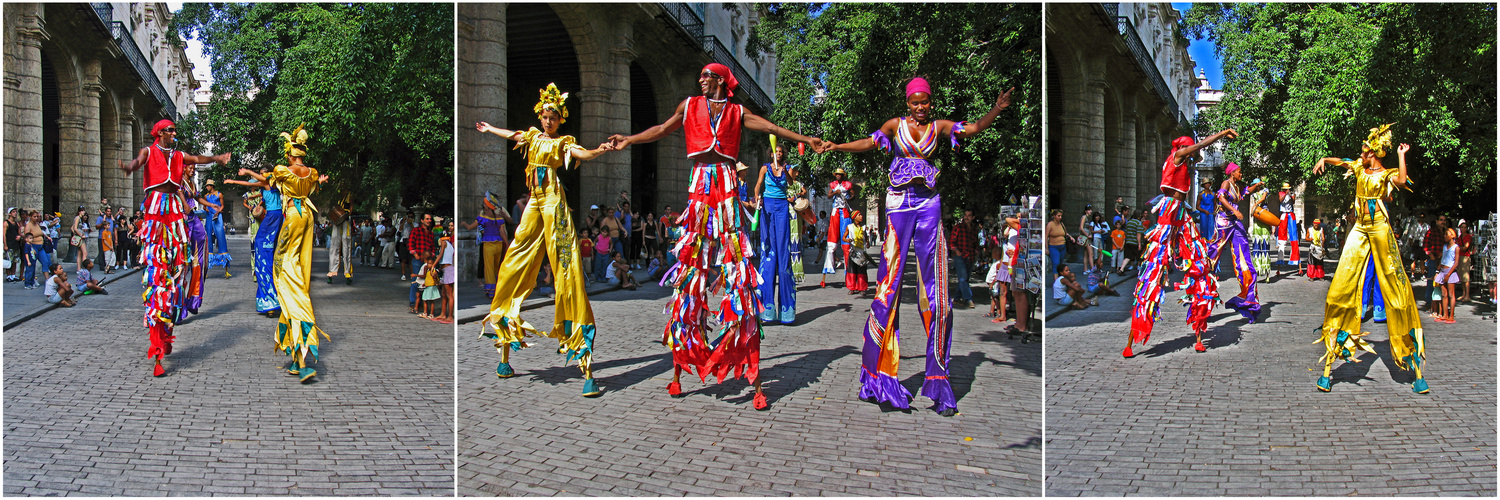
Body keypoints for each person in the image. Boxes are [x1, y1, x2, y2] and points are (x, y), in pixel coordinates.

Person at [606, 63, 827, 410]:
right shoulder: (689, 105)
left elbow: (771, 126)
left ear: (721, 81)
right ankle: (681, 366)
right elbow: (662, 129)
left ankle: (751, 374)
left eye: (706, 77)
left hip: (726, 190)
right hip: (700, 192)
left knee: (739, 274)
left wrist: (804, 139)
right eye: (700, 77)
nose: (701, 81)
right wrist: (629, 139)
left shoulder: (738, 112)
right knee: (691, 275)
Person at [818, 77, 1011, 416]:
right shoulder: (895, 125)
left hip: (928, 205)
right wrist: (837, 147)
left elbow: (975, 128)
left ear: (931, 102)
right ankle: (877, 377)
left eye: (924, 101)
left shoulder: (940, 127)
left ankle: (939, 379)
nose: (920, 107)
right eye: (914, 102)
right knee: (888, 286)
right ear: (908, 103)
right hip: (897, 206)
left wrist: (997, 108)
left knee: (937, 291)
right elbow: (867, 142)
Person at [475, 83, 612, 397]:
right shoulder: (533, 137)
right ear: (540, 116)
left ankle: (586, 365)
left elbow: (581, 153)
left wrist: (598, 151)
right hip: (534, 205)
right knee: (511, 266)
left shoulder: (563, 142)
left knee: (569, 271)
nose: (548, 120)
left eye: (553, 116)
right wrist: (490, 128)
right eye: (545, 115)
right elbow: (514, 135)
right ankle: (505, 353)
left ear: (560, 119)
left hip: (554, 204)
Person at [1308, 124, 1426, 393]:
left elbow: (1401, 180)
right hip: (1359, 229)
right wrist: (1324, 159)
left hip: (1380, 229)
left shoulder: (1385, 174)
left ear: (1373, 152)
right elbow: (1342, 161)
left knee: (1397, 293)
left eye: (1363, 149)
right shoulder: (1360, 168)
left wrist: (1401, 155)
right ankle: (1329, 365)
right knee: (1339, 290)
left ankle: (1415, 369)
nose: (1359, 153)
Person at [118, 118, 231, 376]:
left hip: (175, 215)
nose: (174, 133)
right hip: (157, 211)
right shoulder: (149, 151)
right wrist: (129, 167)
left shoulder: (179, 155)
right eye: (170, 130)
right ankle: (157, 349)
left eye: (174, 130)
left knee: (175, 275)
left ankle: (167, 333)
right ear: (159, 133)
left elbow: (197, 159)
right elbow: (138, 162)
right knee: (157, 280)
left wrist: (217, 158)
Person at [1124, 128, 1237, 358]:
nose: (1191, 152)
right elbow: (1201, 146)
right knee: (1154, 270)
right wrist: (1223, 133)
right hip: (1169, 212)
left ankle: (1198, 335)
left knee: (1199, 265)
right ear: (1182, 148)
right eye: (1189, 148)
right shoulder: (1176, 157)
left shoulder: (1185, 164)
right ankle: (1132, 337)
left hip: (1182, 214)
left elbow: (1197, 155)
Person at [258, 124, 330, 382]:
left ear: (289, 153)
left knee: (283, 264)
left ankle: (302, 360)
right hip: (308, 215)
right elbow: (310, 187)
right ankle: (296, 359)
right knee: (301, 260)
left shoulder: (281, 170)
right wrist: (317, 183)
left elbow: (268, 182)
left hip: (293, 214)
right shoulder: (312, 172)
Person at [1208, 163, 1264, 322]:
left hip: (1235, 223)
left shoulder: (1238, 186)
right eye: (1239, 171)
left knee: (1245, 261)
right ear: (1232, 173)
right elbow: (1220, 197)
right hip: (1224, 223)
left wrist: (1256, 186)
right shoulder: (1226, 183)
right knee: (1212, 255)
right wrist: (1235, 210)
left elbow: (1246, 192)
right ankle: (1202, 295)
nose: (1241, 174)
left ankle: (1249, 302)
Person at [226, 167, 283, 317]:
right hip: (277, 217)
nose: (261, 176)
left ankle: (270, 299)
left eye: (263, 173)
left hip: (271, 217)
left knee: (259, 243)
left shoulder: (267, 181)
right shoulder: (272, 185)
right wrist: (252, 199)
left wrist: (240, 176)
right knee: (265, 246)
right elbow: (256, 191)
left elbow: (249, 183)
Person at [754, 144, 798, 323]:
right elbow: (758, 186)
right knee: (769, 255)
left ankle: (787, 312)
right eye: (776, 152)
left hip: (781, 207)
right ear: (771, 153)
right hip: (767, 207)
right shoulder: (765, 167)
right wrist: (757, 197)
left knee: (783, 257)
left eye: (781, 152)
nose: (778, 154)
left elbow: (790, 184)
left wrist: (786, 170)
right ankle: (767, 310)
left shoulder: (787, 168)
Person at [461, 192, 514, 298]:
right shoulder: (499, 219)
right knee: (496, 267)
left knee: (489, 269)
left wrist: (464, 224)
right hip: (499, 244)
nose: (483, 205)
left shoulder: (482, 218)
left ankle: (491, 291)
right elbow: (503, 232)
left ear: (488, 206)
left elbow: (470, 227)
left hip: (488, 245)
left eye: (485, 204)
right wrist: (507, 244)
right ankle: (500, 288)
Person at [949, 209, 980, 308]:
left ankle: (957, 298)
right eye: (965, 215)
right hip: (960, 256)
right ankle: (968, 299)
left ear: (973, 217)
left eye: (969, 215)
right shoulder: (958, 227)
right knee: (963, 278)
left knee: (965, 278)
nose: (967, 217)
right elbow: (952, 243)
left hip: (970, 256)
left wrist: (976, 250)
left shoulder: (974, 229)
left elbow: (975, 242)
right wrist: (957, 251)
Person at [202, 180, 232, 278]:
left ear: (212, 186)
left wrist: (218, 211)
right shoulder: (206, 196)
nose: (207, 188)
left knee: (221, 237)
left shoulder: (219, 194)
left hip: (217, 216)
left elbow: (222, 205)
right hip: (209, 216)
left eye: (208, 186)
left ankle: (226, 269)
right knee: (208, 238)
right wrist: (206, 209)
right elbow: (204, 206)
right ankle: (206, 269)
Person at [1247, 177, 1274, 283]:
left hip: (1265, 217)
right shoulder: (1253, 195)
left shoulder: (1265, 191)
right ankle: (1257, 271)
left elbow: (1263, 198)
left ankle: (1267, 273)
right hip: (1257, 219)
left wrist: (1255, 204)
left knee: (1266, 246)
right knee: (1257, 246)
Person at [326, 194, 354, 285]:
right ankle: (331, 272)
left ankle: (348, 273)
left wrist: (347, 214)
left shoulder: (349, 195)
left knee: (347, 247)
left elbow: (351, 207)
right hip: (337, 222)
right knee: (334, 247)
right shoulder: (337, 195)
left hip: (345, 221)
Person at [1275, 182, 1301, 275]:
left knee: (1294, 237)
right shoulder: (1281, 193)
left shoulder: (1292, 193)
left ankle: (1295, 259)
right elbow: (1280, 200)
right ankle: (1280, 260)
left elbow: (1293, 202)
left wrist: (1290, 195)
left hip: (1290, 213)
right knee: (1282, 236)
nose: (1287, 190)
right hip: (1284, 214)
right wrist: (1285, 194)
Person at [1435, 228, 1458, 324]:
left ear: (1452, 235)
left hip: (1450, 271)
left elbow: (1456, 262)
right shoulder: (1445, 247)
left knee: (1451, 294)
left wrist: (1449, 274)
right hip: (1443, 270)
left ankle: (1451, 315)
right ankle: (1444, 314)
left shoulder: (1456, 247)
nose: (1444, 236)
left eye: (1446, 234)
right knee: (1444, 294)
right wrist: (1438, 270)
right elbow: (1442, 259)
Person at [844, 210, 869, 294]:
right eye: (859, 215)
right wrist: (847, 240)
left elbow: (866, 237)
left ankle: (862, 288)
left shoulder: (864, 227)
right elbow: (844, 237)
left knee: (862, 271)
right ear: (854, 217)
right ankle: (852, 288)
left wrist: (868, 243)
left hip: (862, 253)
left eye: (861, 214)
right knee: (852, 270)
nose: (861, 216)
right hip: (853, 252)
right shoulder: (849, 227)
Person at [1047, 209, 1069, 275]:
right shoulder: (1050, 225)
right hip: (1054, 246)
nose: (1060, 217)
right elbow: (1046, 236)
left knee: (1060, 264)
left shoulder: (1061, 224)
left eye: (1061, 216)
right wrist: (1046, 248)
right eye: (1058, 216)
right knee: (1056, 263)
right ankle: (1056, 281)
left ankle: (1060, 279)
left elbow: (1065, 233)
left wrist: (1071, 237)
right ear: (1054, 216)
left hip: (1062, 246)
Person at [1456, 219, 1473, 302]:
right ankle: (1464, 293)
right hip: (1459, 257)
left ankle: (1467, 295)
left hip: (1465, 257)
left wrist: (1458, 248)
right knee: (1462, 277)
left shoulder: (1468, 237)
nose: (1463, 229)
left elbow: (1465, 247)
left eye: (1465, 227)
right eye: (1462, 227)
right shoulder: (1460, 237)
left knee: (1466, 277)